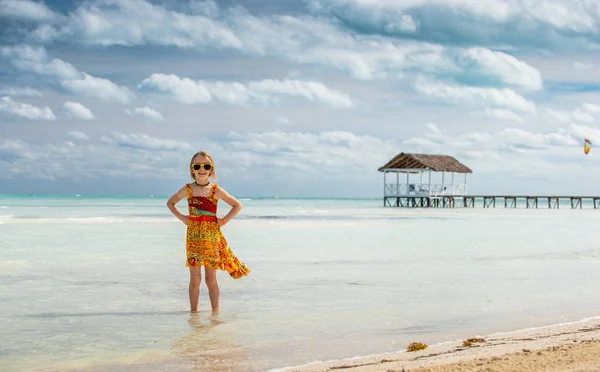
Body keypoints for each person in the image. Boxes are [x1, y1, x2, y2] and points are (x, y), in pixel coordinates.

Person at [167, 151, 250, 313]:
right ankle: (194, 314)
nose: (202, 169)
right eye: (197, 166)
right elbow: (171, 202)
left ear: (211, 169)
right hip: (193, 237)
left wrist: (223, 221)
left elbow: (237, 205)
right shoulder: (188, 190)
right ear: (192, 170)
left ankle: (215, 313)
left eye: (206, 166)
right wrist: (182, 217)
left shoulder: (215, 190)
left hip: (211, 237)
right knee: (195, 279)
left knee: (210, 278)